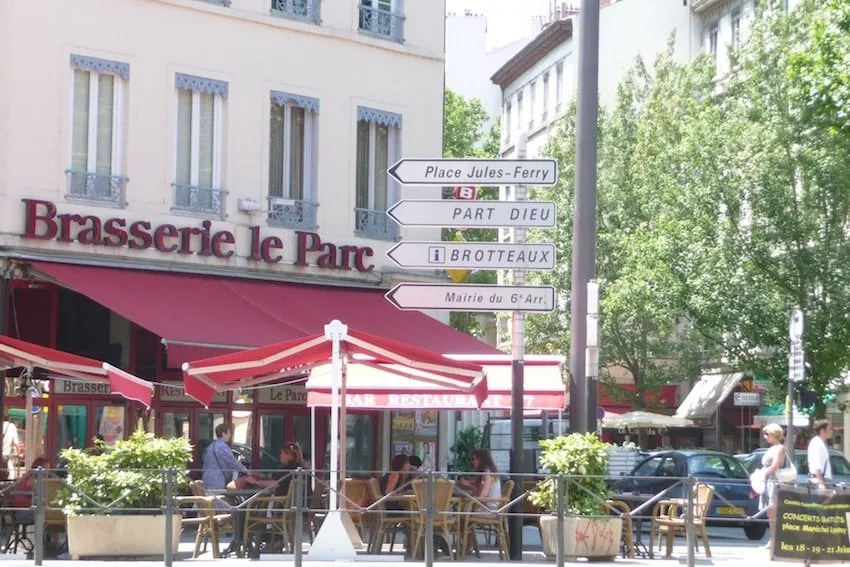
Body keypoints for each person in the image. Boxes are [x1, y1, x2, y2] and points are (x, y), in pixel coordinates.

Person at [758, 423, 786, 550]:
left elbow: (775, 466)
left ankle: (775, 540)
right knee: (770, 512)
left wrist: (761, 473)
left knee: (773, 510)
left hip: (773, 482)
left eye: (767, 434)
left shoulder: (780, 448)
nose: (765, 436)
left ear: (774, 434)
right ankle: (773, 539)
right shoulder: (771, 448)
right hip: (767, 481)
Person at [807, 419, 833, 488]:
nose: (831, 431)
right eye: (829, 429)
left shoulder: (820, 443)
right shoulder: (817, 443)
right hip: (819, 480)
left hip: (822, 479)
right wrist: (821, 483)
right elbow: (816, 464)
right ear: (822, 431)